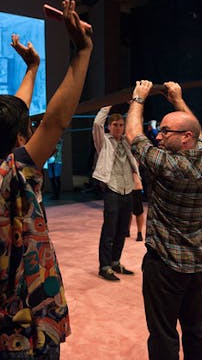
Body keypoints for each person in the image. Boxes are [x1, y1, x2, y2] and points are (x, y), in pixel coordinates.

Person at [0, 0, 92, 359]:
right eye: (26, 131)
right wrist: (82, 52)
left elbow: (17, 118)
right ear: (20, 140)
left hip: (1, 322)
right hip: (26, 329)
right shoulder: (12, 174)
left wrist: (33, 68)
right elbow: (54, 120)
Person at [126, 80, 202, 360]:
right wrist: (178, 99)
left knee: (163, 332)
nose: (160, 135)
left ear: (185, 137)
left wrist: (138, 99)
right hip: (196, 263)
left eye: (166, 131)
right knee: (194, 327)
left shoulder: (169, 165)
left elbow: (133, 135)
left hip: (165, 264)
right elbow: (197, 128)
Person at [92, 105, 139, 281]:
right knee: (109, 230)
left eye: (121, 125)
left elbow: (136, 128)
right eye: (115, 125)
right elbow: (97, 124)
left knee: (122, 230)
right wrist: (106, 106)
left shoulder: (127, 141)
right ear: (109, 126)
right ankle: (104, 266)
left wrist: (134, 106)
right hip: (112, 189)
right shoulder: (103, 141)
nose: (119, 128)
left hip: (128, 189)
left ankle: (115, 262)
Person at [131, 172, 145, 242]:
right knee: (126, 211)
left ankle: (139, 232)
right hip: (123, 186)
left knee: (139, 211)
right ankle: (126, 230)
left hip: (135, 186)